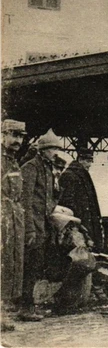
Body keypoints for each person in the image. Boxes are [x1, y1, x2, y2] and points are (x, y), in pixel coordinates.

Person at [19, 128, 62, 321]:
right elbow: (24, 202)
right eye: (52, 149)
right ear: (43, 149)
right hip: (32, 227)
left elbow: (49, 199)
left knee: (36, 267)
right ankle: (25, 308)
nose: (56, 152)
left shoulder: (46, 169)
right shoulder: (30, 167)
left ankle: (31, 306)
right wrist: (28, 229)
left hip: (42, 227)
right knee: (29, 268)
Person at [1, 119, 27, 331]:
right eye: (14, 135)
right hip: (2, 219)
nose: (18, 140)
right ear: (3, 135)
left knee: (12, 265)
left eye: (20, 136)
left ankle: (4, 316)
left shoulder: (13, 161)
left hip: (13, 220)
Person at [58, 147, 103, 251]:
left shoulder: (77, 175)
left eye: (91, 161)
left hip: (84, 221)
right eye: (87, 161)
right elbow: (67, 202)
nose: (89, 164)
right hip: (81, 223)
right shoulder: (71, 175)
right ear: (80, 160)